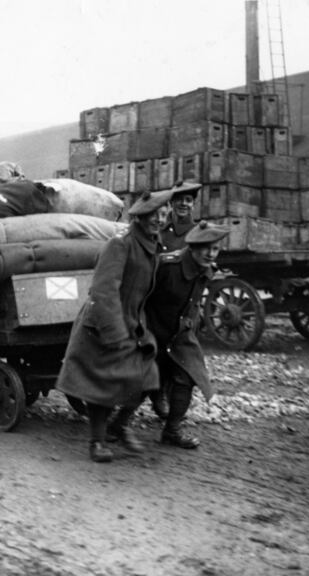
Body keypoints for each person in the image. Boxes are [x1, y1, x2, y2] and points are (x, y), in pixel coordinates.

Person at [56, 189, 172, 463]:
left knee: (148, 377)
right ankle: (97, 441)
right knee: (102, 384)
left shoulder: (153, 245)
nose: (159, 219)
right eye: (153, 214)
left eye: (163, 213)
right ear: (140, 217)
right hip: (102, 324)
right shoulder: (120, 244)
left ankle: (118, 426)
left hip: (131, 323)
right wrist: (115, 333)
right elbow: (103, 290)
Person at [146, 220, 230, 449]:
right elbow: (142, 295)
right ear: (192, 248)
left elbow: (193, 301)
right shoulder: (166, 266)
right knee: (141, 381)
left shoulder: (207, 270)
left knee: (187, 376)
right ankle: (118, 425)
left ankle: (171, 431)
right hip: (153, 330)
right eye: (206, 249)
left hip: (179, 334)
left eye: (215, 249)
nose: (211, 254)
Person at [160, 181, 202, 252]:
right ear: (171, 202)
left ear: (193, 205)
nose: (183, 203)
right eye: (179, 199)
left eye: (188, 200)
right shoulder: (158, 227)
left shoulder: (197, 233)